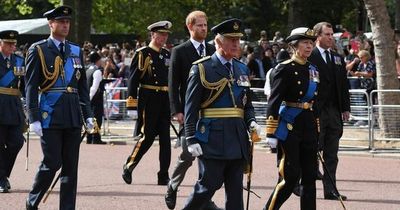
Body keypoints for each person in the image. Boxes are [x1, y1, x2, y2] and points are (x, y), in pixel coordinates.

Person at [182, 18, 260, 210]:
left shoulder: (241, 68)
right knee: (207, 187)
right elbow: (191, 107)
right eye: (231, 39)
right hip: (212, 137)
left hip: (237, 137)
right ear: (218, 41)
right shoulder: (202, 68)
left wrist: (251, 121)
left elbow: (246, 104)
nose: (236, 43)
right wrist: (190, 137)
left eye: (238, 39)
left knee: (235, 194)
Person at [25, 5, 96, 210]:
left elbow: (81, 87)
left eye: (67, 22)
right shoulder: (38, 49)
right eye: (61, 22)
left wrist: (88, 114)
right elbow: (30, 86)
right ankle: (32, 201)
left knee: (71, 168)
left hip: (73, 113)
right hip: (50, 112)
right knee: (52, 163)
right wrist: (34, 117)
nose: (65, 25)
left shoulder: (75, 50)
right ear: (51, 24)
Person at [165, 10, 221, 210]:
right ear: (190, 27)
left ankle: (205, 199)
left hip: (211, 112)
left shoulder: (214, 49)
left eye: (205, 25)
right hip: (190, 112)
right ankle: (173, 185)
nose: (204, 28)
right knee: (188, 155)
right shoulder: (180, 51)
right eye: (199, 25)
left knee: (208, 156)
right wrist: (176, 110)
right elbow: (173, 84)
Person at [264, 27, 320, 210]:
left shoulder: (313, 69)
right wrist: (271, 131)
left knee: (310, 176)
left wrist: (317, 127)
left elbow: (315, 101)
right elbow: (274, 99)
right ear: (294, 46)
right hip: (290, 125)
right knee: (290, 176)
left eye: (311, 43)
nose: (309, 46)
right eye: (305, 43)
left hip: (308, 124)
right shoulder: (284, 68)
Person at [122, 20, 172, 186]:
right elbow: (133, 79)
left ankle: (163, 174)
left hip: (164, 100)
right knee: (147, 137)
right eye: (161, 34)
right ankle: (129, 165)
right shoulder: (142, 53)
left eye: (165, 35)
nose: (163, 37)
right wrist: (131, 103)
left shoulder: (166, 54)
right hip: (149, 99)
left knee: (166, 139)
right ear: (153, 34)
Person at [308, 22, 350, 201]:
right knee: (312, 151)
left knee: (332, 154)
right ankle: (306, 188)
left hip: (333, 111)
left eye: (332, 34)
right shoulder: (311, 55)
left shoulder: (337, 57)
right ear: (318, 36)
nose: (331, 37)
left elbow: (343, 84)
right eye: (327, 34)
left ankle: (330, 189)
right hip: (315, 110)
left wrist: (346, 108)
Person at [0, 30, 25, 193]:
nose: (12, 46)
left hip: (15, 108)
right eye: (8, 43)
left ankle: (3, 174)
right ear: (0, 43)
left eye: (13, 44)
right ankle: (2, 178)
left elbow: (23, 86)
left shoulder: (19, 61)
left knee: (17, 142)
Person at [86, 51, 107, 144]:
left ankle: (89, 137)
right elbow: (94, 87)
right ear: (97, 60)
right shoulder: (97, 71)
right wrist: (90, 98)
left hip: (88, 98)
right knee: (97, 119)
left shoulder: (87, 70)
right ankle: (96, 138)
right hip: (96, 99)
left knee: (90, 118)